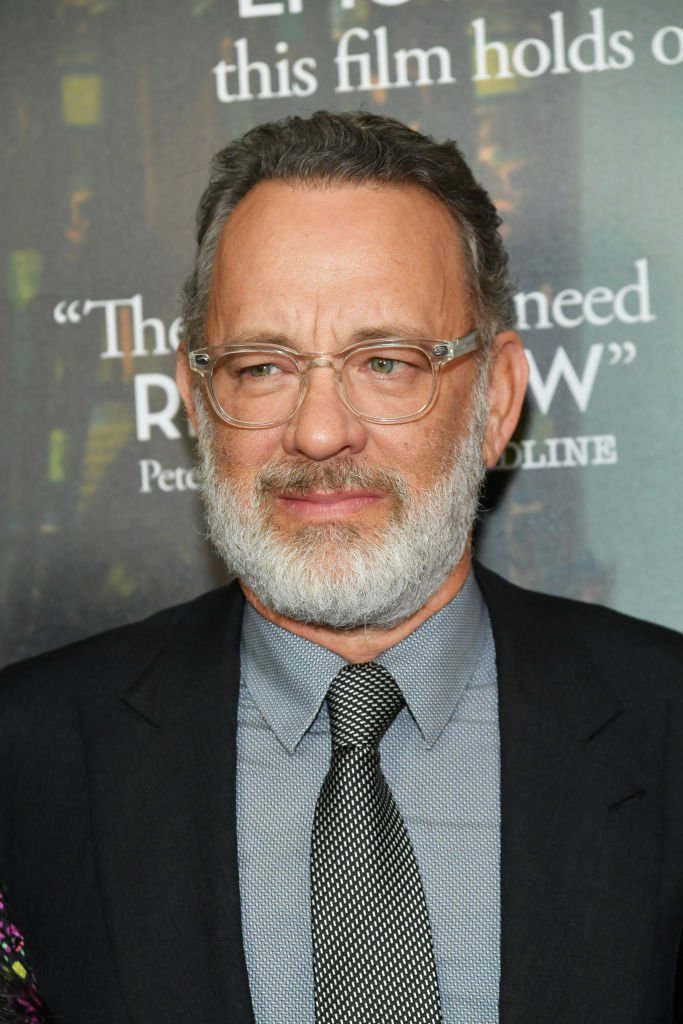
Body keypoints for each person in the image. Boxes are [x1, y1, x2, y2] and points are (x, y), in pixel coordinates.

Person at [1, 111, 681, 1024]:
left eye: (387, 361)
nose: (320, 431)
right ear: (197, 405)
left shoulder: (666, 727)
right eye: (261, 366)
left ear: (495, 403)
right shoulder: (25, 760)